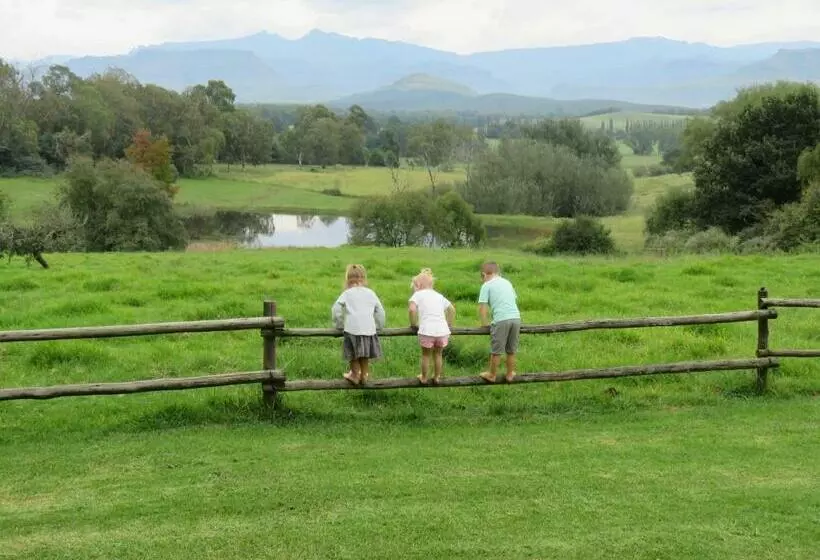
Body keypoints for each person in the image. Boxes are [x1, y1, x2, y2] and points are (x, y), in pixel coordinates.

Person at [332, 264, 386, 385]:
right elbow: (380, 311)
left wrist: (339, 324)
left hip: (352, 329)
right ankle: (364, 375)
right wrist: (379, 326)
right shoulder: (370, 293)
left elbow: (336, 309)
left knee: (353, 354)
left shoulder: (347, 293)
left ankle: (355, 375)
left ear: (347, 279)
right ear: (364, 278)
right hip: (369, 329)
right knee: (364, 354)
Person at [408, 268, 456, 385]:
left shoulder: (417, 295)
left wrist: (413, 324)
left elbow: (412, 309)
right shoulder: (439, 296)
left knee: (425, 355)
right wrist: (448, 324)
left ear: (418, 285)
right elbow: (452, 309)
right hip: (442, 331)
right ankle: (436, 377)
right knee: (438, 354)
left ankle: (424, 377)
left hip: (427, 330)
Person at [477, 261, 521, 383]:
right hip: (516, 318)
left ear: (484, 275)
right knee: (511, 350)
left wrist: (484, 323)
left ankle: (492, 374)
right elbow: (513, 299)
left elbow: (483, 307)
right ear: (498, 272)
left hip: (501, 320)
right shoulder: (507, 282)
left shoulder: (486, 285)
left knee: (496, 351)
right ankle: (510, 374)